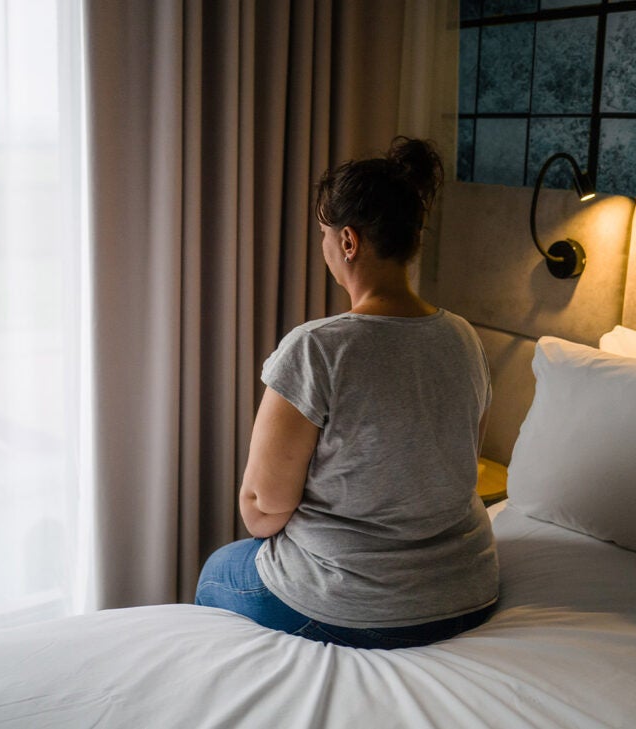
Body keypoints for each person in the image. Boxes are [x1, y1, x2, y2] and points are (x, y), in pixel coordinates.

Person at [194, 137, 497, 649]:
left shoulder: (317, 349)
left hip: (355, 605)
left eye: (323, 234)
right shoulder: (464, 337)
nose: (324, 246)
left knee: (220, 569)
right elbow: (460, 457)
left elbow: (262, 511)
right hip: (468, 594)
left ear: (349, 242)